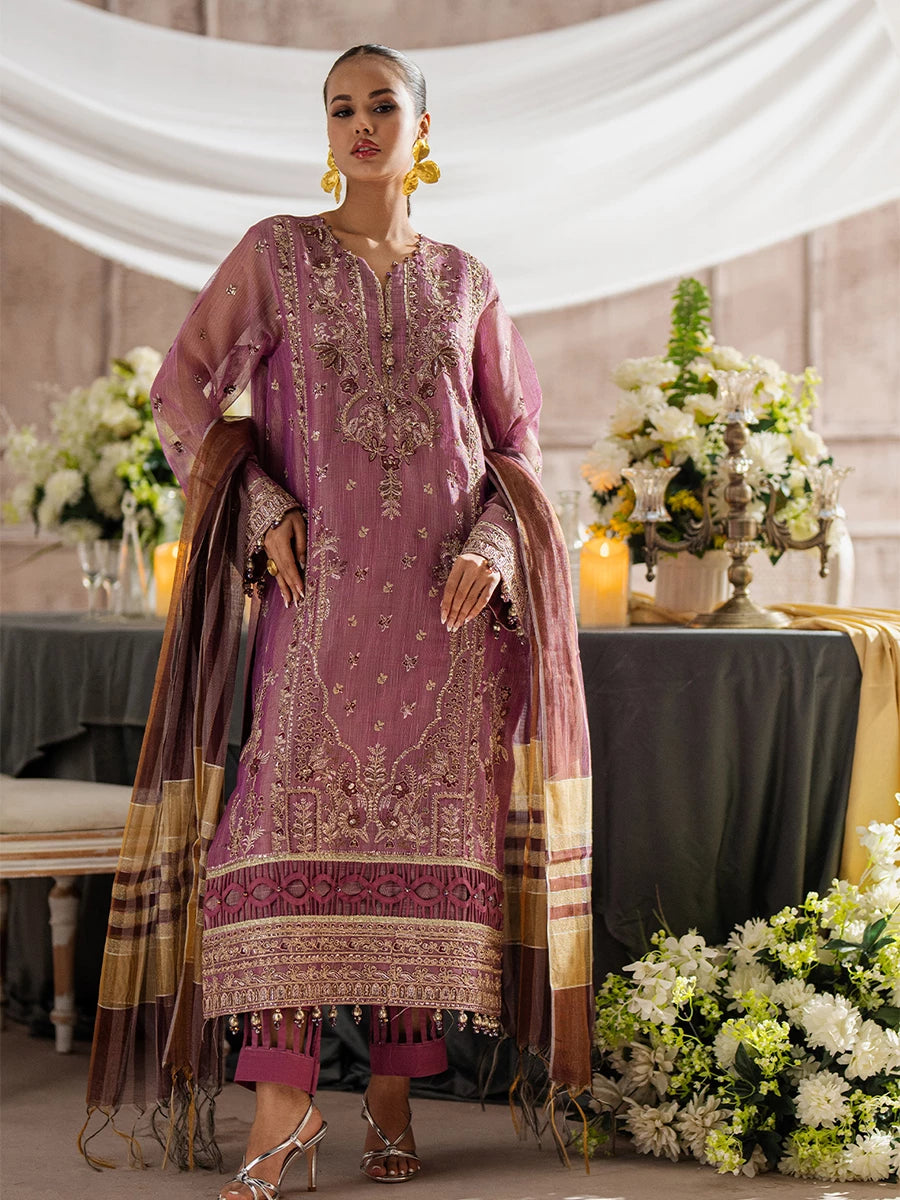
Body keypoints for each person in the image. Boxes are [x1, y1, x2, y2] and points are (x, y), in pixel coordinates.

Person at [85, 43, 592, 1199]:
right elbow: (181, 389)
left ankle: (394, 1102)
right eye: (340, 108)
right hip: (320, 608)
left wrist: (497, 543)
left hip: (447, 620)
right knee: (280, 844)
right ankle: (283, 1109)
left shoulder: (466, 280)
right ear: (325, 132)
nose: (361, 124)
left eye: (383, 105)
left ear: (422, 129)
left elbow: (515, 441)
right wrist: (260, 505)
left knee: (414, 849)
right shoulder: (277, 254)